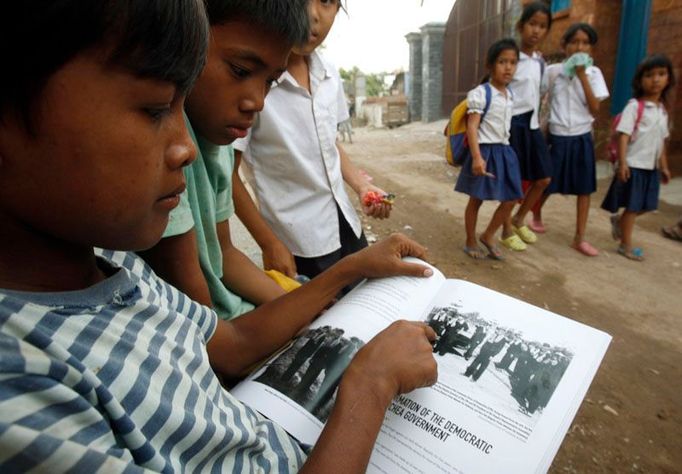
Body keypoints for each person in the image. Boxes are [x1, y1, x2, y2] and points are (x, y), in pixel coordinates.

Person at [0, 1, 439, 472]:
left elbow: (228, 344)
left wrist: (353, 267)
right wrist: (369, 386)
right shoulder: (23, 387)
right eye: (153, 110)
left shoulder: (115, 265)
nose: (186, 146)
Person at [138, 0, 313, 320]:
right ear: (187, 41)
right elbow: (211, 334)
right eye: (241, 71)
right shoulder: (171, 149)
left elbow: (225, 254)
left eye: (270, 81)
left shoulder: (215, 143)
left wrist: (299, 307)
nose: (257, 102)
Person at [233, 0, 392, 283]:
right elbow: (227, 177)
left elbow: (328, 141)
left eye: (328, 1)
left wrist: (361, 185)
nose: (312, 15)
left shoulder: (329, 74)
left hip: (346, 224)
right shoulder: (254, 81)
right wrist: (269, 243)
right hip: (298, 243)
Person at [535, 23, 610, 256]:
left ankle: (579, 237)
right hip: (558, 134)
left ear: (591, 48)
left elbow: (596, 107)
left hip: (581, 135)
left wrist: (581, 76)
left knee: (584, 188)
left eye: (585, 43)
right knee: (547, 181)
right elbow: (539, 94)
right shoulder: (553, 71)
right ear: (564, 45)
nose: (580, 47)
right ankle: (535, 214)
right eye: (574, 42)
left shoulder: (594, 73)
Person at [455, 38, 523, 260]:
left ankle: (488, 235)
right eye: (503, 61)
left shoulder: (510, 94)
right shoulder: (481, 93)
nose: (508, 67)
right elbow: (472, 127)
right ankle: (470, 239)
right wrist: (476, 157)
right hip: (484, 151)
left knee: (512, 197)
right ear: (491, 65)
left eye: (513, 62)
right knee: (477, 199)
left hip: (504, 151)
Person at [601, 54, 674, 261]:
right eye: (650, 75)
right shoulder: (635, 107)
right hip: (634, 165)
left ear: (668, 79)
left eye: (661, 74)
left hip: (651, 168)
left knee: (647, 205)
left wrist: (664, 166)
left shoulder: (662, 111)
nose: (656, 80)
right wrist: (623, 163)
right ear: (640, 80)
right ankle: (626, 245)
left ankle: (619, 223)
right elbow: (623, 136)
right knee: (633, 207)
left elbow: (661, 141)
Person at [500, 2, 553, 252]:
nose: (536, 31)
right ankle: (505, 229)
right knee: (514, 182)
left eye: (542, 26)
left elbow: (540, 93)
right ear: (521, 26)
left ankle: (519, 219)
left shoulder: (540, 62)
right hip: (513, 124)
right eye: (532, 24)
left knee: (543, 178)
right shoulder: (511, 58)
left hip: (532, 124)